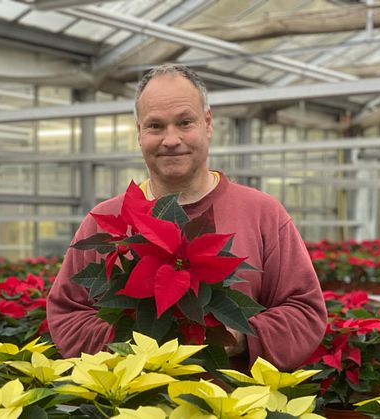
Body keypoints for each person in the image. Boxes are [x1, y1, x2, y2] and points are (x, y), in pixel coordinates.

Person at [46, 64, 327, 371]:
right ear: (139, 132)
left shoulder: (263, 213)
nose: (171, 139)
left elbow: (305, 311)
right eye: (155, 126)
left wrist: (236, 335)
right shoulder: (104, 219)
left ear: (207, 123)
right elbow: (68, 313)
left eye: (184, 122)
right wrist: (137, 344)